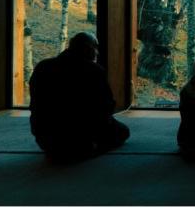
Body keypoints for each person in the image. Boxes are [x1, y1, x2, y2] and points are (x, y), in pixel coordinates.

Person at [29, 32, 130, 160]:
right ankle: (89, 147)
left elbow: (35, 103)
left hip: (45, 138)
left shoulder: (43, 66)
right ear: (89, 48)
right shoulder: (94, 71)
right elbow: (107, 107)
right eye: (96, 48)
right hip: (80, 140)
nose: (97, 53)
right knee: (123, 131)